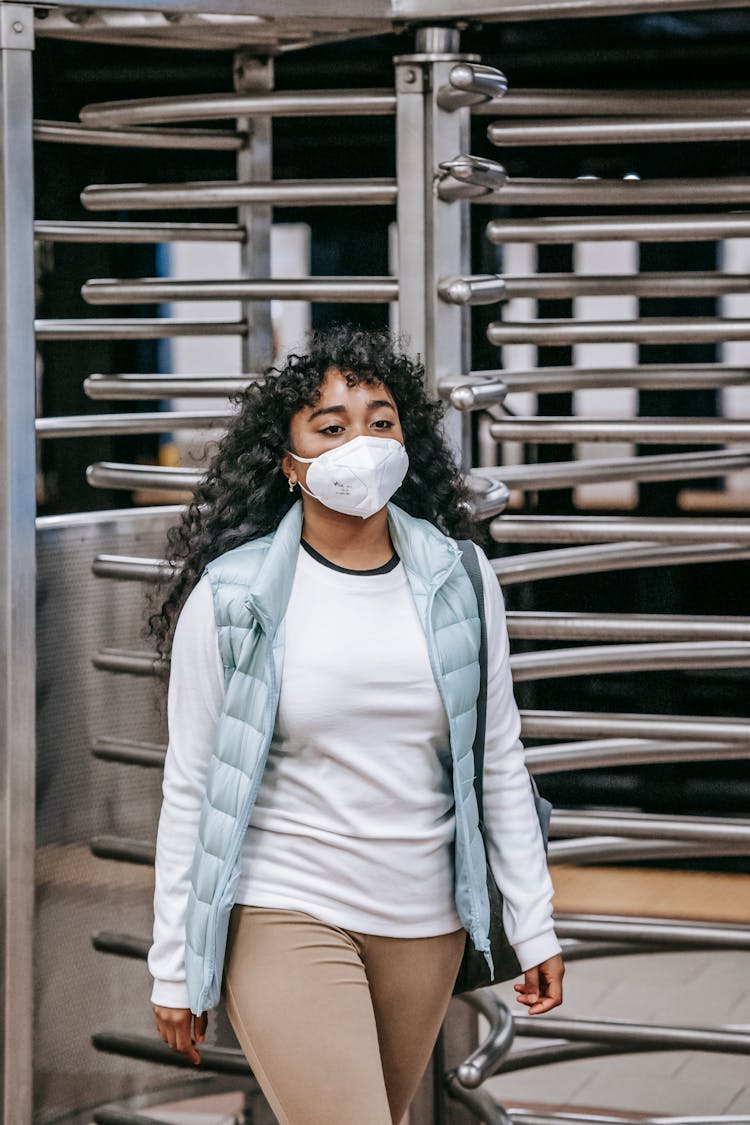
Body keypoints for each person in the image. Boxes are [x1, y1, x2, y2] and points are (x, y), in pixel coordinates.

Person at [146, 324, 564, 1125]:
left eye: (381, 420)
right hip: (287, 901)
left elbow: (499, 760)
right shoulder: (232, 598)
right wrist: (175, 966)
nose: (362, 443)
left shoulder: (462, 578)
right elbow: (193, 786)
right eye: (331, 426)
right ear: (289, 462)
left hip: (426, 920)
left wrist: (532, 922)